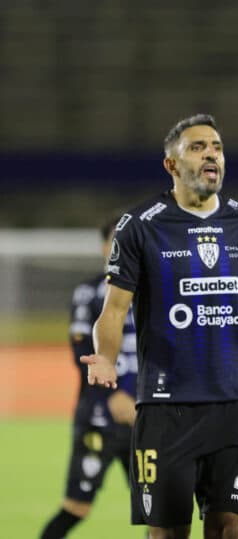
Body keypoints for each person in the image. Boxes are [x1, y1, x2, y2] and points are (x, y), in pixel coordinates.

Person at [80, 114, 238, 539]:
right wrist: (105, 356)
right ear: (171, 165)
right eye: (197, 148)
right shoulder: (140, 225)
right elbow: (115, 308)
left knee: (229, 528)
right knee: (168, 533)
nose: (211, 154)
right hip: (167, 407)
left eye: (216, 147)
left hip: (236, 403)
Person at [40, 216, 138, 539]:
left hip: (145, 419)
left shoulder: (156, 292)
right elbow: (81, 350)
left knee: (160, 513)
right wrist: (113, 395)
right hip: (99, 417)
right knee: (76, 507)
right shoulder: (89, 292)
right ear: (104, 247)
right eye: (115, 241)